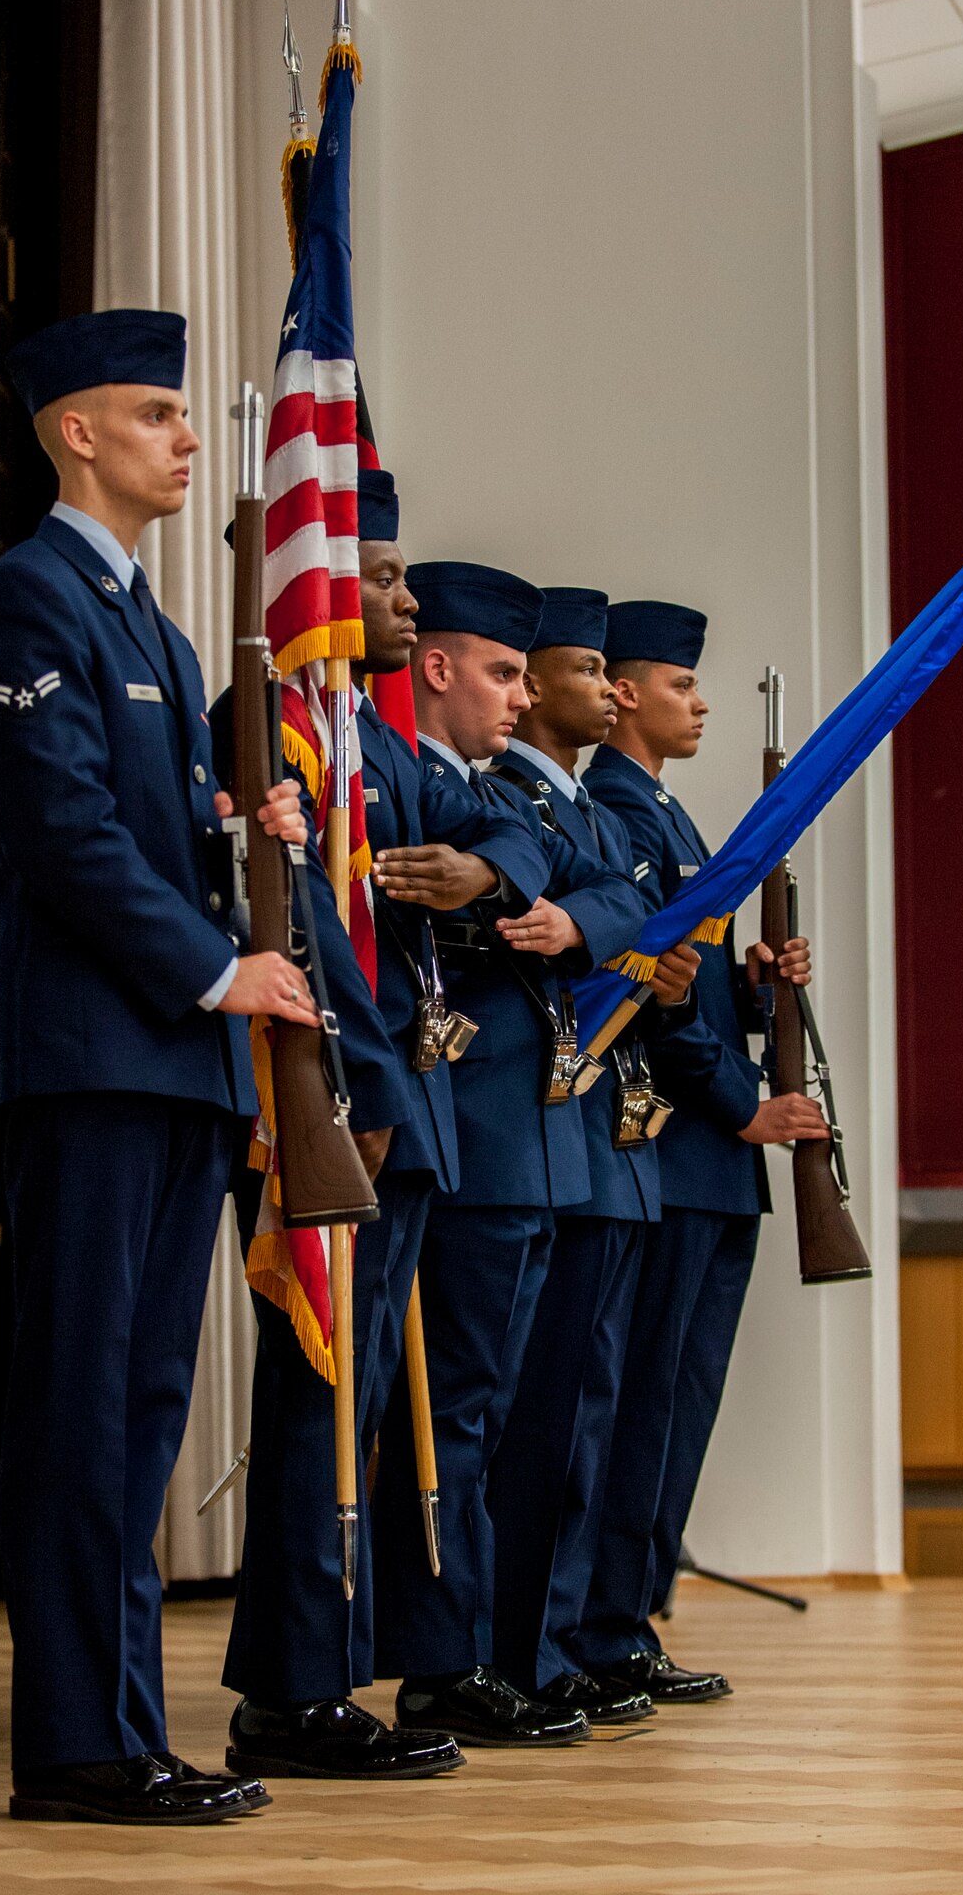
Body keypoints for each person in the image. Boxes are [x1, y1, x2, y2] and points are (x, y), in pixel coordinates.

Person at [0, 308, 318, 1824]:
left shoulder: (158, 631)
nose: (183, 438)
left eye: (181, 415)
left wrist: (247, 836)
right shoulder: (31, 599)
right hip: (97, 1056)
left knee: (144, 1405)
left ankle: (124, 1730)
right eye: (155, 413)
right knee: (82, 1401)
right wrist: (215, 966)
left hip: (173, 1062)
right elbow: (63, 832)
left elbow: (152, 828)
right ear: (76, 432)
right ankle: (76, 1746)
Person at [217, 473, 549, 1781]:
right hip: (327, 1103)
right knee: (319, 1400)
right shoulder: (268, 725)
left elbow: (510, 820)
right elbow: (288, 916)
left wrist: (485, 871)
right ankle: (290, 1690)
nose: (405, 597)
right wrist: (360, 1086)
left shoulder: (380, 745)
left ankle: (335, 1670)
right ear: (308, 576)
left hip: (398, 1107)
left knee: (360, 1408)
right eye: (384, 572)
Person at [369, 562, 646, 1747]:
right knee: (459, 1414)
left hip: (530, 1138)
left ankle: (476, 1647)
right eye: (503, 672)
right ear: (439, 667)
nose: (523, 696)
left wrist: (572, 916)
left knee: (499, 1412)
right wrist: (504, 885)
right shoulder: (409, 773)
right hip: (471, 1130)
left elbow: (617, 892)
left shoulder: (492, 798)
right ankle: (445, 1657)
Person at [571, 599, 827, 1705]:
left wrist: (756, 981)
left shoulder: (667, 814)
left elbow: (699, 986)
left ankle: (630, 1615)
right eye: (680, 684)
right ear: (627, 692)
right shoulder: (621, 813)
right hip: (675, 1147)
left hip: (708, 1163)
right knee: (645, 1405)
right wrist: (740, 1105)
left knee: (678, 1404)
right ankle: (608, 1625)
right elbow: (654, 1004)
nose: (700, 702)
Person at [483, 587, 700, 1726]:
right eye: (582, 670)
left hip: (604, 1133)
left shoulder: (593, 811)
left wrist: (621, 934)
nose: (604, 690)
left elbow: (623, 907)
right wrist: (607, 926)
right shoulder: (520, 795)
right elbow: (598, 908)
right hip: (549, 1123)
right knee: (544, 1412)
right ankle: (528, 1646)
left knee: (592, 1408)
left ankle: (562, 1639)